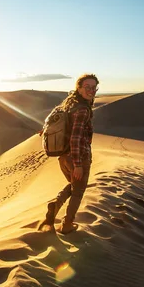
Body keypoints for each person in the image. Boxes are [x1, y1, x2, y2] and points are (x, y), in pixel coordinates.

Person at [40, 73, 98, 234]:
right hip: (77, 158)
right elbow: (75, 138)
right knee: (78, 191)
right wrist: (78, 164)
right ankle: (67, 225)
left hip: (64, 158)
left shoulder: (69, 106)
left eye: (94, 87)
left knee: (74, 186)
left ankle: (56, 205)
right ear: (78, 88)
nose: (91, 90)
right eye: (87, 87)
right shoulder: (82, 111)